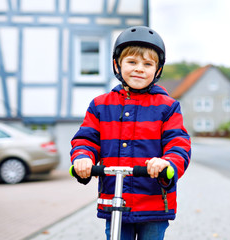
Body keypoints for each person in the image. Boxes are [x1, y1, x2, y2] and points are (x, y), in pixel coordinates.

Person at [70, 26, 191, 240]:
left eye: (147, 64)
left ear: (158, 70)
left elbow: (178, 144)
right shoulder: (101, 105)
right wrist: (82, 158)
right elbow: (86, 139)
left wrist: (167, 163)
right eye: (132, 62)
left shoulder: (168, 107)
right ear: (118, 64)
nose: (139, 69)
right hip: (114, 201)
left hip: (154, 202)